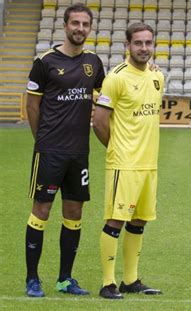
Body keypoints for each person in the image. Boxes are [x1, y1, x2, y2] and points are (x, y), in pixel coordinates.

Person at [24, 3, 105, 297]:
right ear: (65, 25)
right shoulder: (45, 61)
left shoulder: (94, 63)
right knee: (41, 210)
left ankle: (64, 279)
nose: (80, 29)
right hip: (49, 151)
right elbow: (32, 104)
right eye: (75, 23)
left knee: (74, 212)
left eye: (85, 24)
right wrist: (42, 139)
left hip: (78, 153)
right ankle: (32, 279)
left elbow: (105, 95)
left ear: (90, 28)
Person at [93, 22, 165, 299]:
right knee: (115, 221)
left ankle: (131, 280)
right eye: (138, 43)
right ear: (127, 45)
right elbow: (99, 122)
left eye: (148, 43)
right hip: (124, 163)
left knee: (139, 221)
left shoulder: (158, 77)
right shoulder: (116, 78)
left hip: (149, 163)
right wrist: (117, 150)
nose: (144, 48)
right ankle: (108, 283)